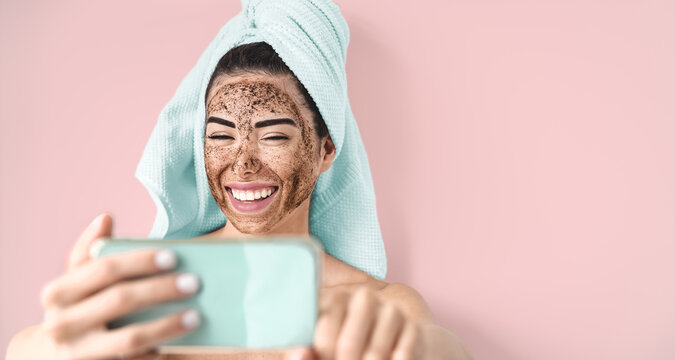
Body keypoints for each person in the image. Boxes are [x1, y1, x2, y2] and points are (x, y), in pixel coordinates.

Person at [7, 2, 474, 360]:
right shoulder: (143, 291)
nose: (242, 162)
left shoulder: (376, 310)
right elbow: (24, 348)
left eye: (272, 133)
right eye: (220, 134)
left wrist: (410, 348)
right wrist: (57, 346)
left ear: (327, 150)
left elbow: (440, 348)